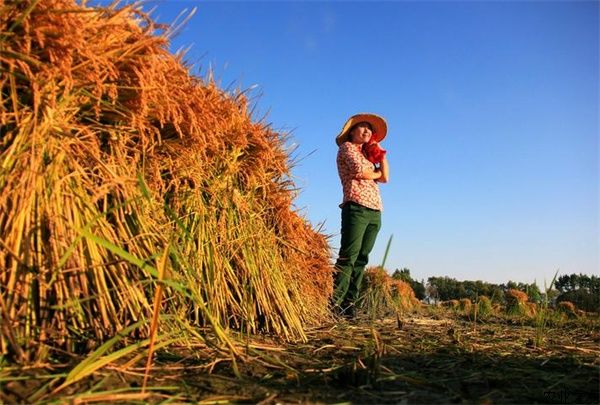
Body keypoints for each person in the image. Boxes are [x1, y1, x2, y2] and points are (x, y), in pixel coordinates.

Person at [333, 113, 390, 318]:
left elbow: (386, 177)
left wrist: (380, 154)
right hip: (356, 207)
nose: (367, 131)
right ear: (352, 131)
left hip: (375, 210)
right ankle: (335, 303)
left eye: (370, 129)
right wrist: (375, 172)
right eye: (362, 127)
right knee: (349, 256)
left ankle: (349, 305)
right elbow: (362, 172)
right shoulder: (346, 148)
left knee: (362, 259)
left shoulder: (368, 154)